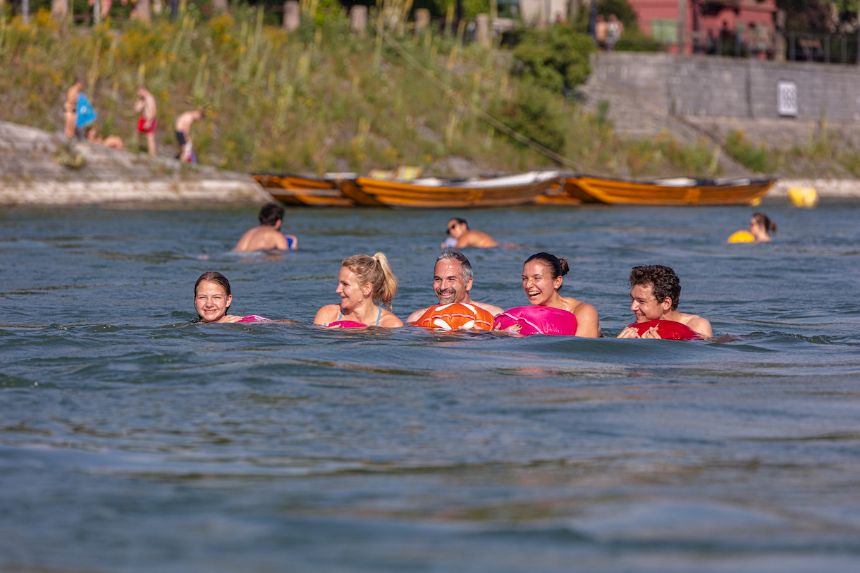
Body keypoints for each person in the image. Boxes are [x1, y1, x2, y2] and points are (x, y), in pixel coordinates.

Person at [511, 252, 600, 337]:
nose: (528, 285)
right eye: (524, 278)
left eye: (537, 278)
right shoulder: (526, 315)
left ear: (557, 282)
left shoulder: (584, 312)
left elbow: (580, 350)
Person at [407, 250, 503, 324]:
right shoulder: (417, 319)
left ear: (468, 283)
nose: (443, 287)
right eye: (438, 279)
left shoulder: (494, 316)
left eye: (451, 279)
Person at [617, 265, 712, 339]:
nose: (632, 307)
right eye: (633, 299)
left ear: (666, 303)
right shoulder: (636, 327)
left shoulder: (696, 325)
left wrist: (660, 347)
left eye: (641, 301)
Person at [314, 253, 403, 328]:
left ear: (366, 289)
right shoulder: (327, 315)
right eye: (339, 283)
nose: (337, 290)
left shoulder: (390, 325)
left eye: (345, 284)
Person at [194, 271, 270, 324]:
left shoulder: (246, 322)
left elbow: (280, 324)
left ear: (228, 300)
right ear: (195, 300)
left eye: (216, 297)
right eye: (202, 297)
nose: (209, 304)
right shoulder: (188, 328)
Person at [233, 202, 298, 252]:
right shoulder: (276, 235)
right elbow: (284, 256)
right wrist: (293, 246)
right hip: (255, 260)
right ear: (279, 222)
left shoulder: (249, 232)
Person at [134, 86, 158, 156]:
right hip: (143, 119)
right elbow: (136, 110)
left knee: (150, 137)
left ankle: (152, 154)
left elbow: (153, 111)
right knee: (138, 134)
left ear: (143, 91)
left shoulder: (150, 98)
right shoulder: (143, 99)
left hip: (150, 119)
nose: (138, 94)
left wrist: (149, 121)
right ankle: (136, 149)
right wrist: (139, 102)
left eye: (139, 92)